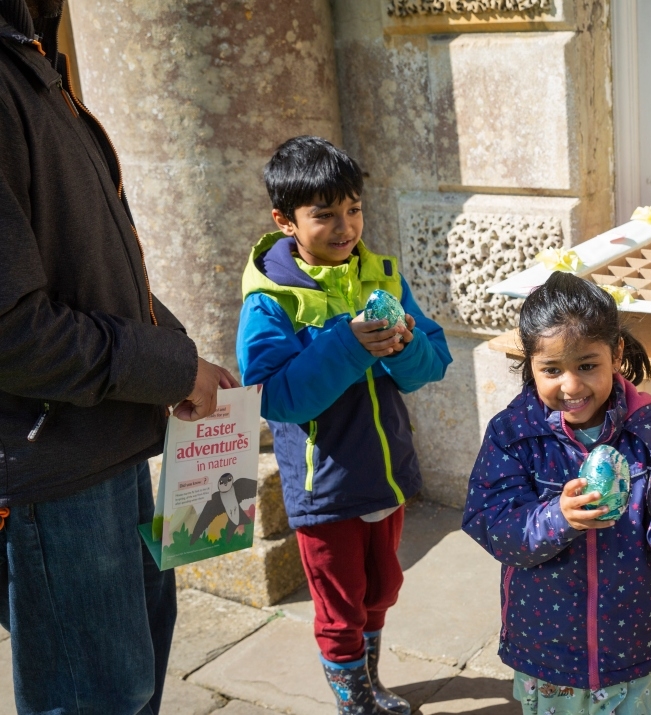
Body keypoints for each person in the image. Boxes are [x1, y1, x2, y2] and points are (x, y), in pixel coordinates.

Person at [0, 0, 237, 712]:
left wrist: (174, 351)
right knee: (98, 696)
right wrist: (163, 366)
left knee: (130, 686)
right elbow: (14, 332)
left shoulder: (32, 51)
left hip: (106, 438)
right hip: (55, 468)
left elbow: (83, 266)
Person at [237, 136, 452, 715]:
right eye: (324, 214)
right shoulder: (269, 300)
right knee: (339, 609)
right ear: (285, 221)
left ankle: (371, 688)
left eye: (353, 208)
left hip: (385, 478)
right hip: (324, 491)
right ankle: (354, 706)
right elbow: (275, 396)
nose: (345, 226)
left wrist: (402, 345)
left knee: (380, 592)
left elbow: (432, 364)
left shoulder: (380, 274)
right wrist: (349, 344)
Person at [463, 272, 651, 715]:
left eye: (587, 365)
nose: (572, 386)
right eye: (551, 370)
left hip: (633, 647)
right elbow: (491, 524)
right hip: (548, 649)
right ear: (530, 363)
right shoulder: (513, 436)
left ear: (616, 352)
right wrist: (558, 518)